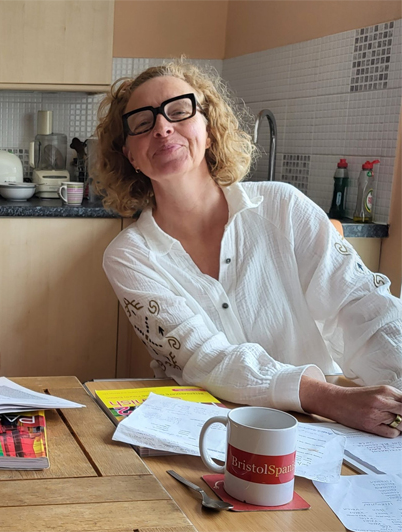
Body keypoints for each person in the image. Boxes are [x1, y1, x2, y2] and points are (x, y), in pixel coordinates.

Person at [97, 59, 402, 437]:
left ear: (208, 130)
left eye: (179, 111)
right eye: (142, 123)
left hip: (323, 431)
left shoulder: (283, 207)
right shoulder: (129, 255)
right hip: (203, 434)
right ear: (129, 155)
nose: (162, 127)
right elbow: (205, 357)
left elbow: (367, 309)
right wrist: (329, 398)